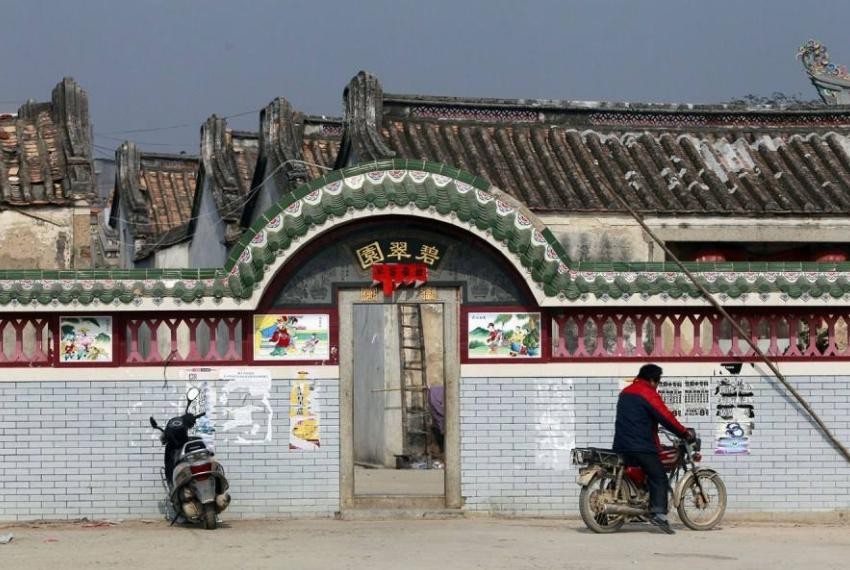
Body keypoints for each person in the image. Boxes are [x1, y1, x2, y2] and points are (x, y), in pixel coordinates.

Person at [613, 363, 693, 534]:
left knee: (641, 473)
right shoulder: (647, 393)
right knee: (659, 477)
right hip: (641, 446)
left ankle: (638, 504)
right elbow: (666, 417)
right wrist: (684, 433)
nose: (657, 385)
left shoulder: (625, 392)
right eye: (658, 382)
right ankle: (659, 514)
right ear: (652, 380)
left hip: (621, 445)